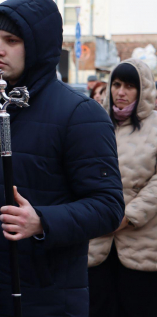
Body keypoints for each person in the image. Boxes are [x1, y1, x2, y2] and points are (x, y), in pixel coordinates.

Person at [0, 0, 124, 317]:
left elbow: (108, 206)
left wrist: (42, 221)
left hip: (46, 298)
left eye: (11, 40)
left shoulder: (79, 114)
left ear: (38, 45)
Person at [88, 59, 157, 317]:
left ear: (144, 90)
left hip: (143, 245)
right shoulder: (94, 124)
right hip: (97, 243)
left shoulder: (155, 127)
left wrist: (129, 216)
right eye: (116, 84)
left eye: (130, 85)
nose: (121, 92)